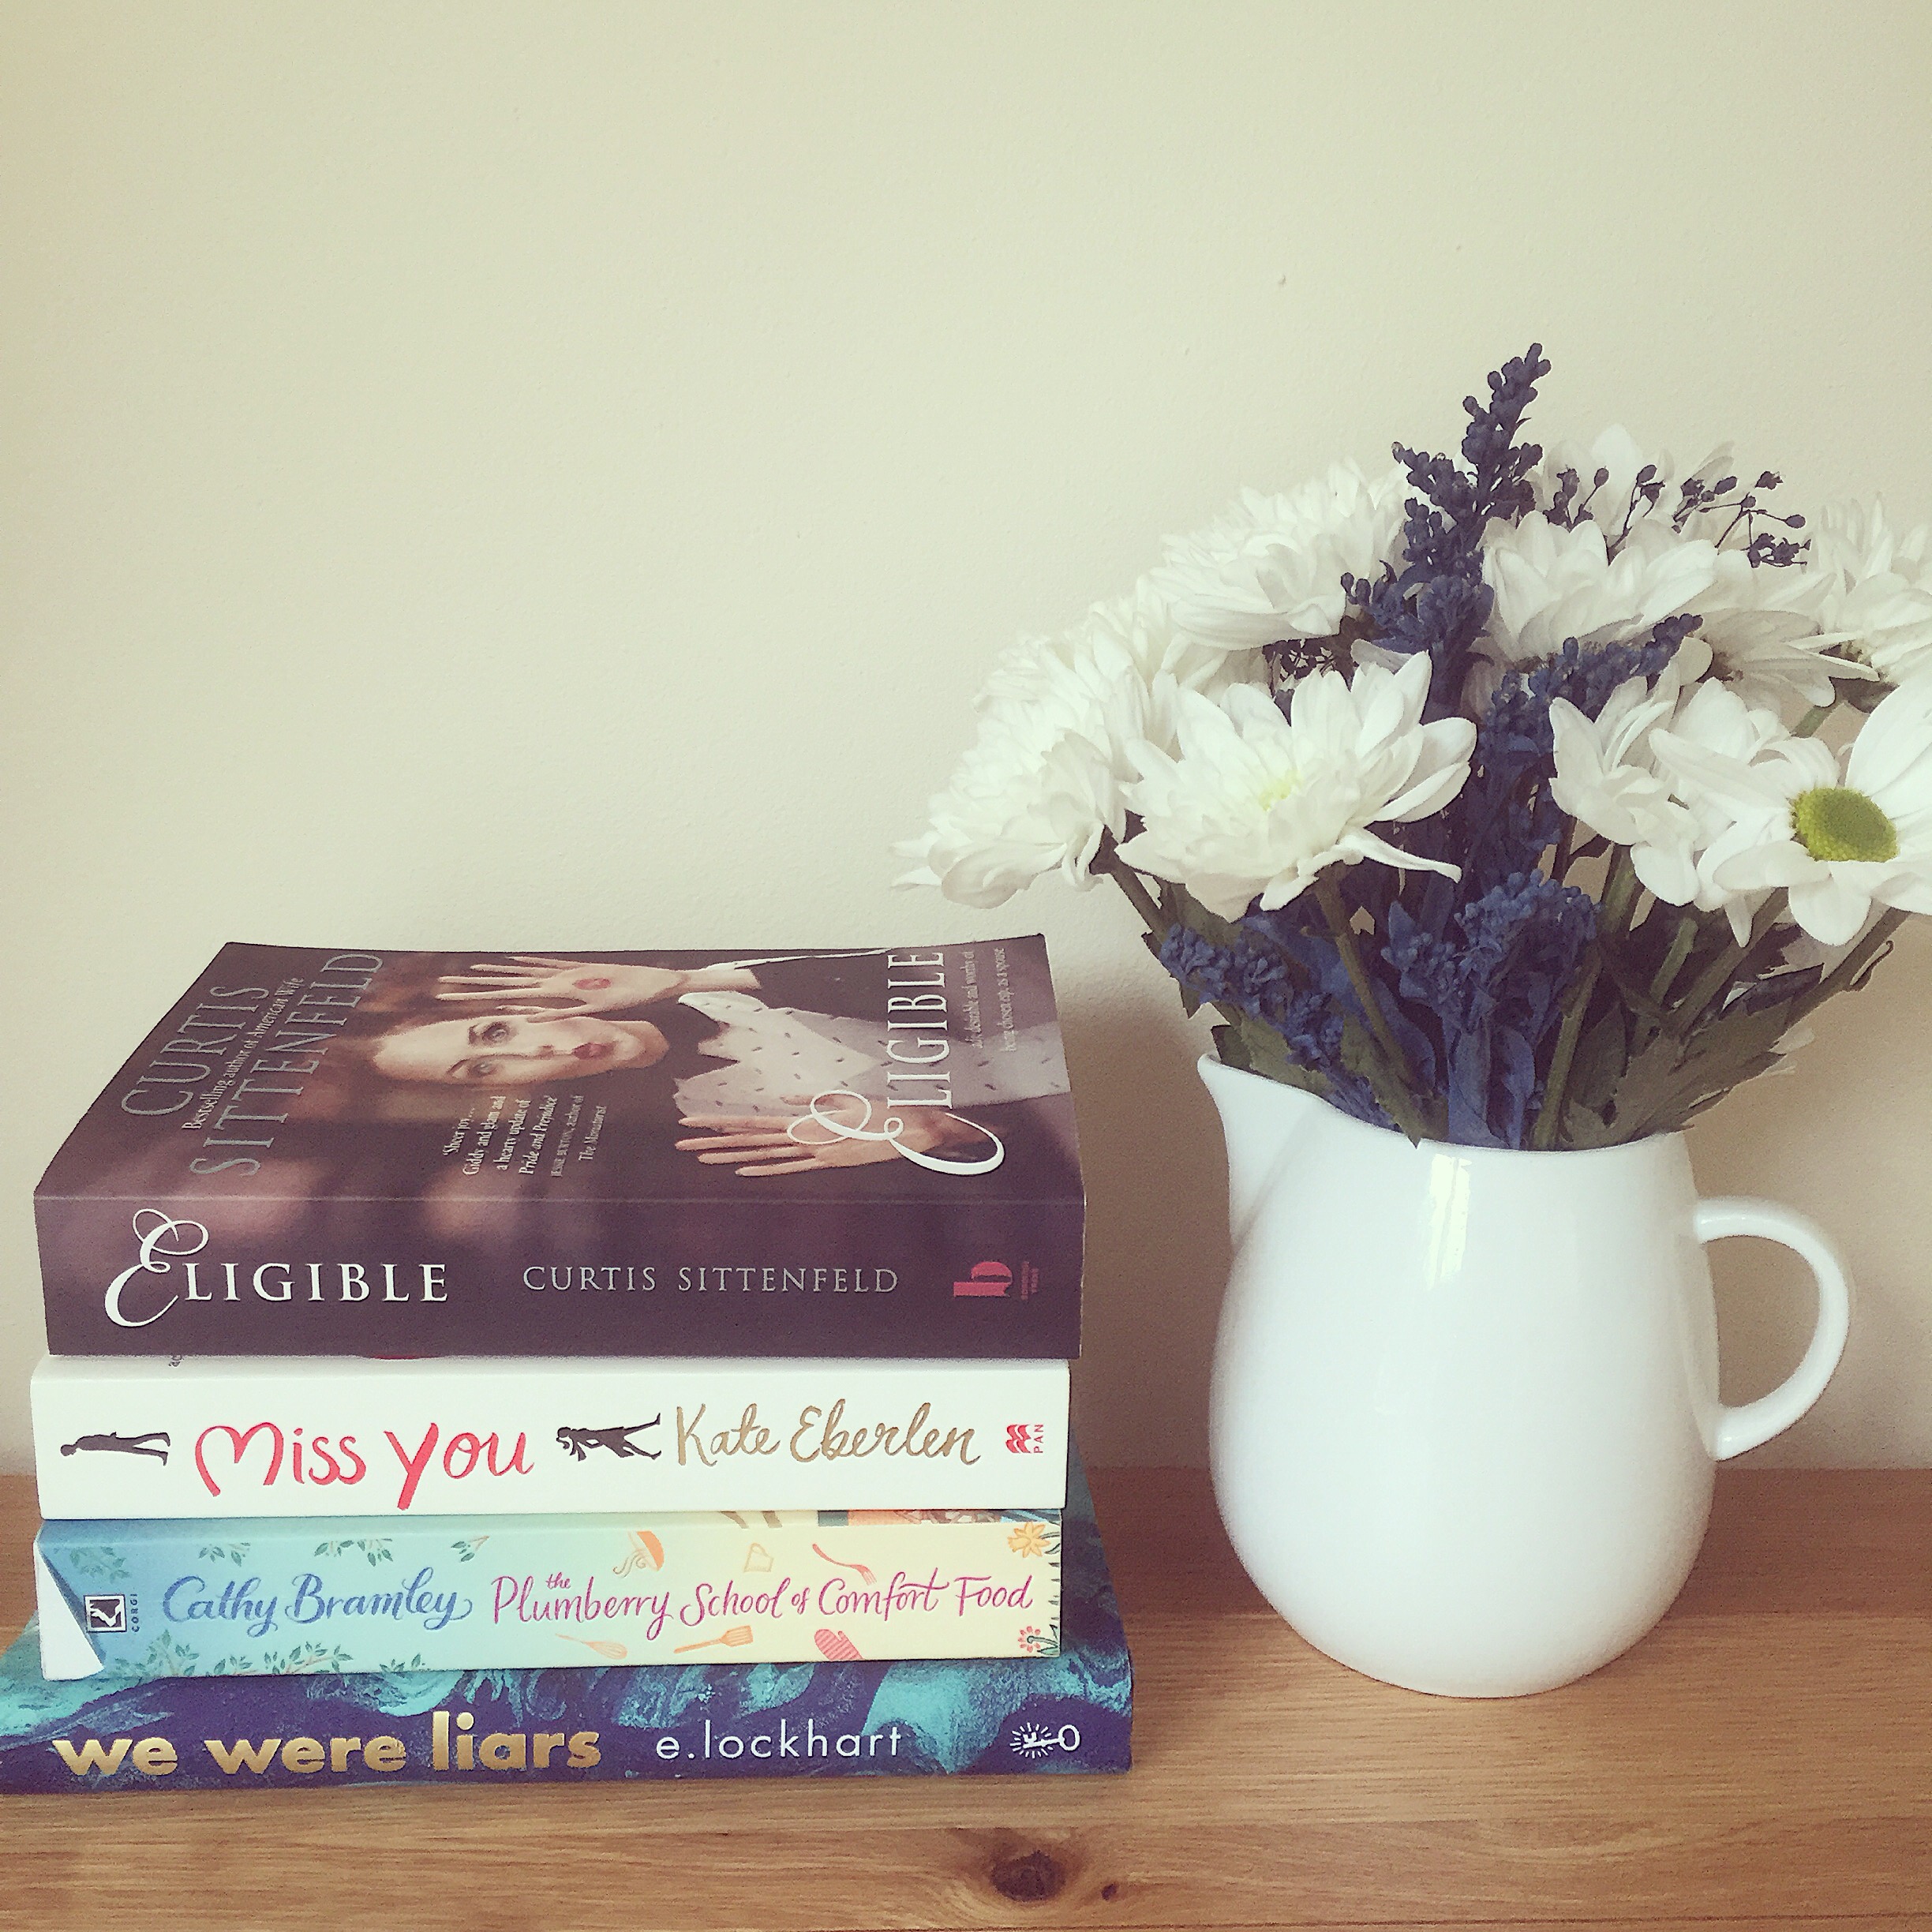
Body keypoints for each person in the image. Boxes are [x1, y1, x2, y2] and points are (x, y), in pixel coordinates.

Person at [363, 953, 1069, 1179]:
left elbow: (955, 970)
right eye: (483, 1071)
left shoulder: (723, 981)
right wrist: (942, 1132)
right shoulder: (703, 1143)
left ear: (521, 1003)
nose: (529, 1051)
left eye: (496, 1031)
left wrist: (691, 979)